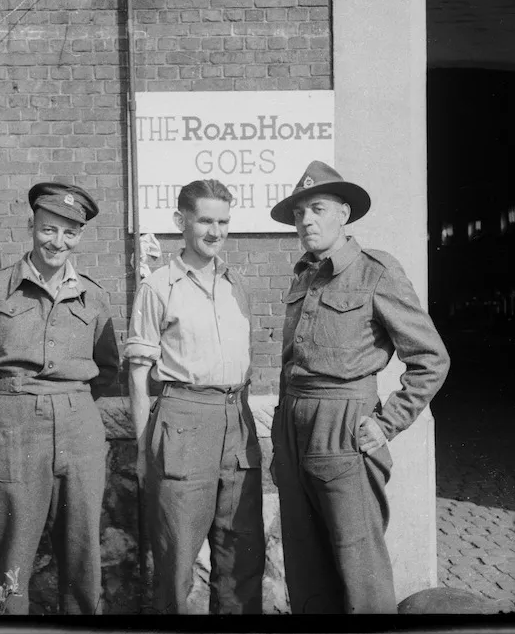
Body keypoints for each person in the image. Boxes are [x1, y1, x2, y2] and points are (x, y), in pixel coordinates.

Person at [268, 160, 451, 614]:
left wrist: (388, 423)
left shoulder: (377, 272)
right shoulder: (304, 275)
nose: (305, 220)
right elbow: (290, 364)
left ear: (344, 214)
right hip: (293, 426)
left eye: (318, 208)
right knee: (305, 563)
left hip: (344, 427)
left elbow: (431, 358)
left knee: (359, 565)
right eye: (298, 213)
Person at [0, 182, 119, 615]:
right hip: (14, 427)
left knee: (82, 553)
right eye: (48, 229)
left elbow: (108, 367)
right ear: (32, 226)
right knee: (11, 554)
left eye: (69, 233)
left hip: (80, 429)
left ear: (79, 237)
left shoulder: (94, 296)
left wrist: (71, 402)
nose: (58, 242)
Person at [124, 179, 265, 614]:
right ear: (180, 221)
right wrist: (144, 446)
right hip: (183, 420)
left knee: (241, 555)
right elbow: (137, 371)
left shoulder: (236, 284)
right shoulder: (159, 286)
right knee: (176, 560)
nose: (215, 231)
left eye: (223, 221)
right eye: (205, 220)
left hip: (236, 423)